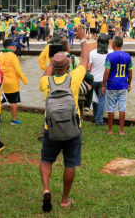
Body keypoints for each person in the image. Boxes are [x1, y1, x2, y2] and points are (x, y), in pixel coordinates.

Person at [38, 48, 90, 212]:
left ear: (54, 67)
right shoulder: (73, 78)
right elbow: (84, 60)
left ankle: (46, 188)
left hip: (50, 129)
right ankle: (65, 199)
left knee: (46, 160)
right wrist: (82, 39)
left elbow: (46, 75)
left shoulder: (45, 82)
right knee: (70, 164)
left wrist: (52, 62)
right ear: (68, 68)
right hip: (72, 129)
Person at [101, 35, 132, 136]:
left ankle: (110, 130)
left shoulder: (110, 56)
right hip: (123, 85)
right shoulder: (128, 56)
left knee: (110, 107)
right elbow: (130, 72)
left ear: (113, 44)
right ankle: (121, 131)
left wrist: (103, 85)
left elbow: (107, 71)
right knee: (122, 108)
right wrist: (129, 84)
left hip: (112, 85)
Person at [0, 38, 28, 125]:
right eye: (13, 45)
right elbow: (18, 70)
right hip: (12, 83)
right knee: (13, 102)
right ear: (9, 46)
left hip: (2, 82)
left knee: (1, 102)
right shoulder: (13, 56)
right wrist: (25, 80)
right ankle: (14, 120)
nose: (15, 47)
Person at [88, 34, 110, 126]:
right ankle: (99, 121)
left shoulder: (92, 53)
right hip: (103, 80)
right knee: (102, 100)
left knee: (95, 100)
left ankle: (96, 118)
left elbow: (89, 67)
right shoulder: (111, 52)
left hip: (93, 79)